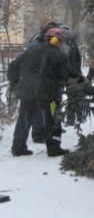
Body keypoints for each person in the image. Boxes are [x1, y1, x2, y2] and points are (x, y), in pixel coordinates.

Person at [9, 28, 78, 157]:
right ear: (56, 40)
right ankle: (54, 148)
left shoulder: (30, 52)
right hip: (49, 93)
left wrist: (15, 84)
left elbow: (13, 66)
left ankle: (18, 147)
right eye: (62, 41)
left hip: (28, 92)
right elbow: (68, 74)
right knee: (53, 120)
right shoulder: (59, 55)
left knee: (24, 119)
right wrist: (81, 81)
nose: (63, 44)